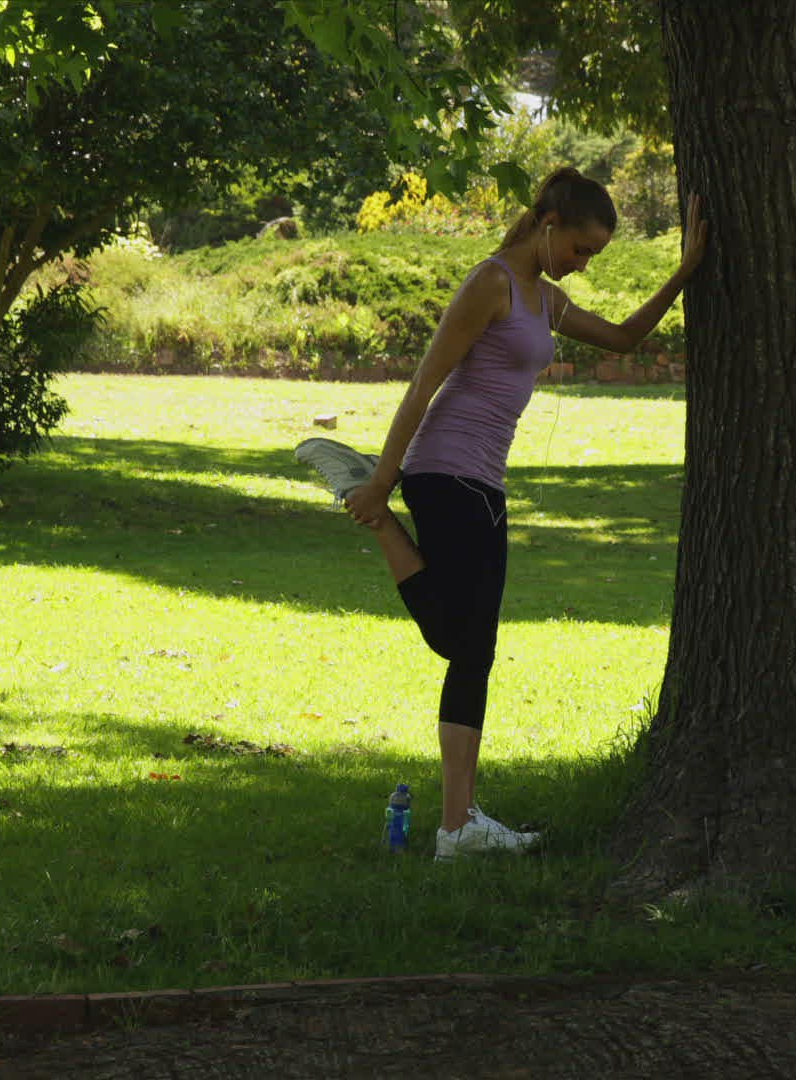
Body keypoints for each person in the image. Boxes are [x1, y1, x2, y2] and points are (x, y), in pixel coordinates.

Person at [295, 168, 707, 861]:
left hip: (483, 481)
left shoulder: (546, 300)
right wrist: (386, 482)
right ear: (548, 224)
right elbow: (424, 383)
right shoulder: (491, 283)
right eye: (579, 249)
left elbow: (624, 339)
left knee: (464, 644)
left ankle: (460, 823)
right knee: (467, 646)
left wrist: (684, 273)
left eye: (593, 255)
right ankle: (457, 826)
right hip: (445, 468)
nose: (583, 264)